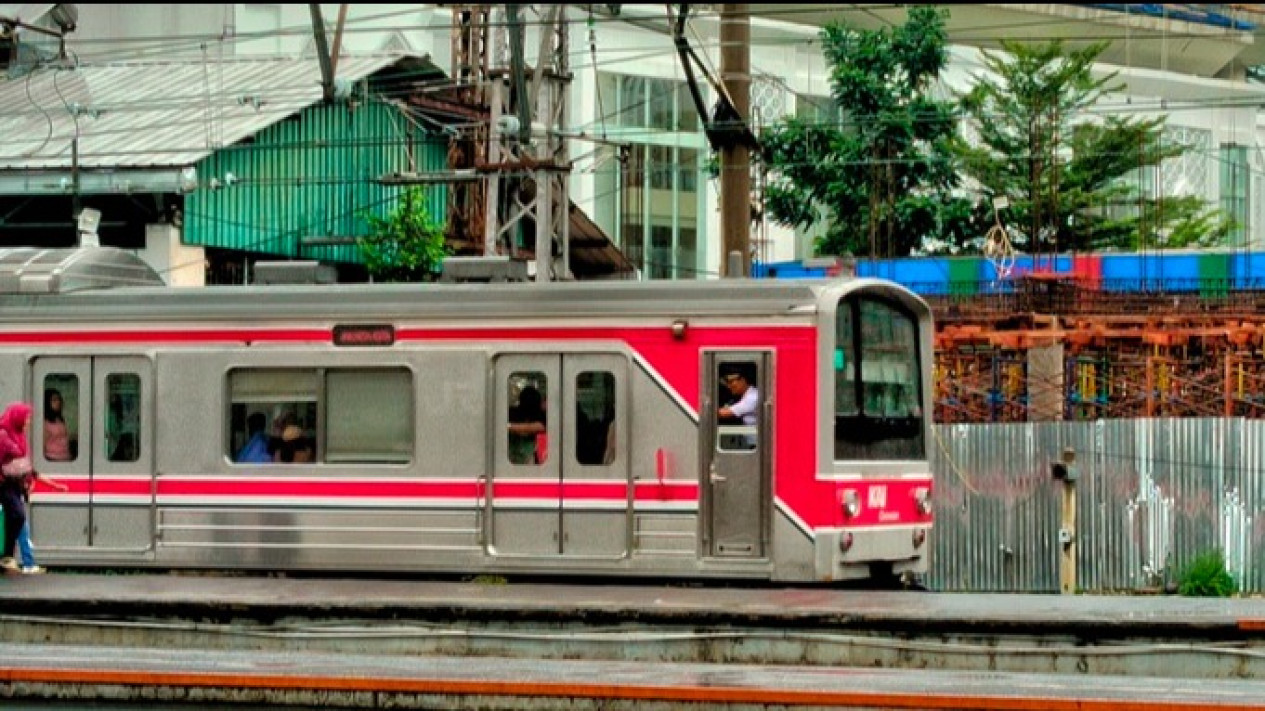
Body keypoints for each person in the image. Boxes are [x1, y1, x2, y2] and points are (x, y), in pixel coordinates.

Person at [0, 402, 33, 572]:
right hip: (3, 483)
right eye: (26, 418)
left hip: (14, 483)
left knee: (14, 517)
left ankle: (6, 557)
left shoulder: (19, 435)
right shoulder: (3, 435)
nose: (28, 421)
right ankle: (6, 556)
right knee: (17, 515)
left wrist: (26, 480)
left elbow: (21, 461)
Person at [718, 370, 759, 449]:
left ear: (742, 380)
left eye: (731, 382)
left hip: (756, 445)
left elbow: (723, 414)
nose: (729, 386)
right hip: (749, 443)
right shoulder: (745, 396)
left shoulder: (752, 397)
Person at [508, 385, 546, 465]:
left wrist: (508, 426)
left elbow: (538, 427)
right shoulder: (513, 413)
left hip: (525, 457)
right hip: (521, 457)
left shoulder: (540, 416)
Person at [43, 389, 72, 462]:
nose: (58, 402)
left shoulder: (60, 419)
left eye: (59, 399)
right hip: (52, 458)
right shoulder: (44, 422)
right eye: (54, 400)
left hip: (66, 457)